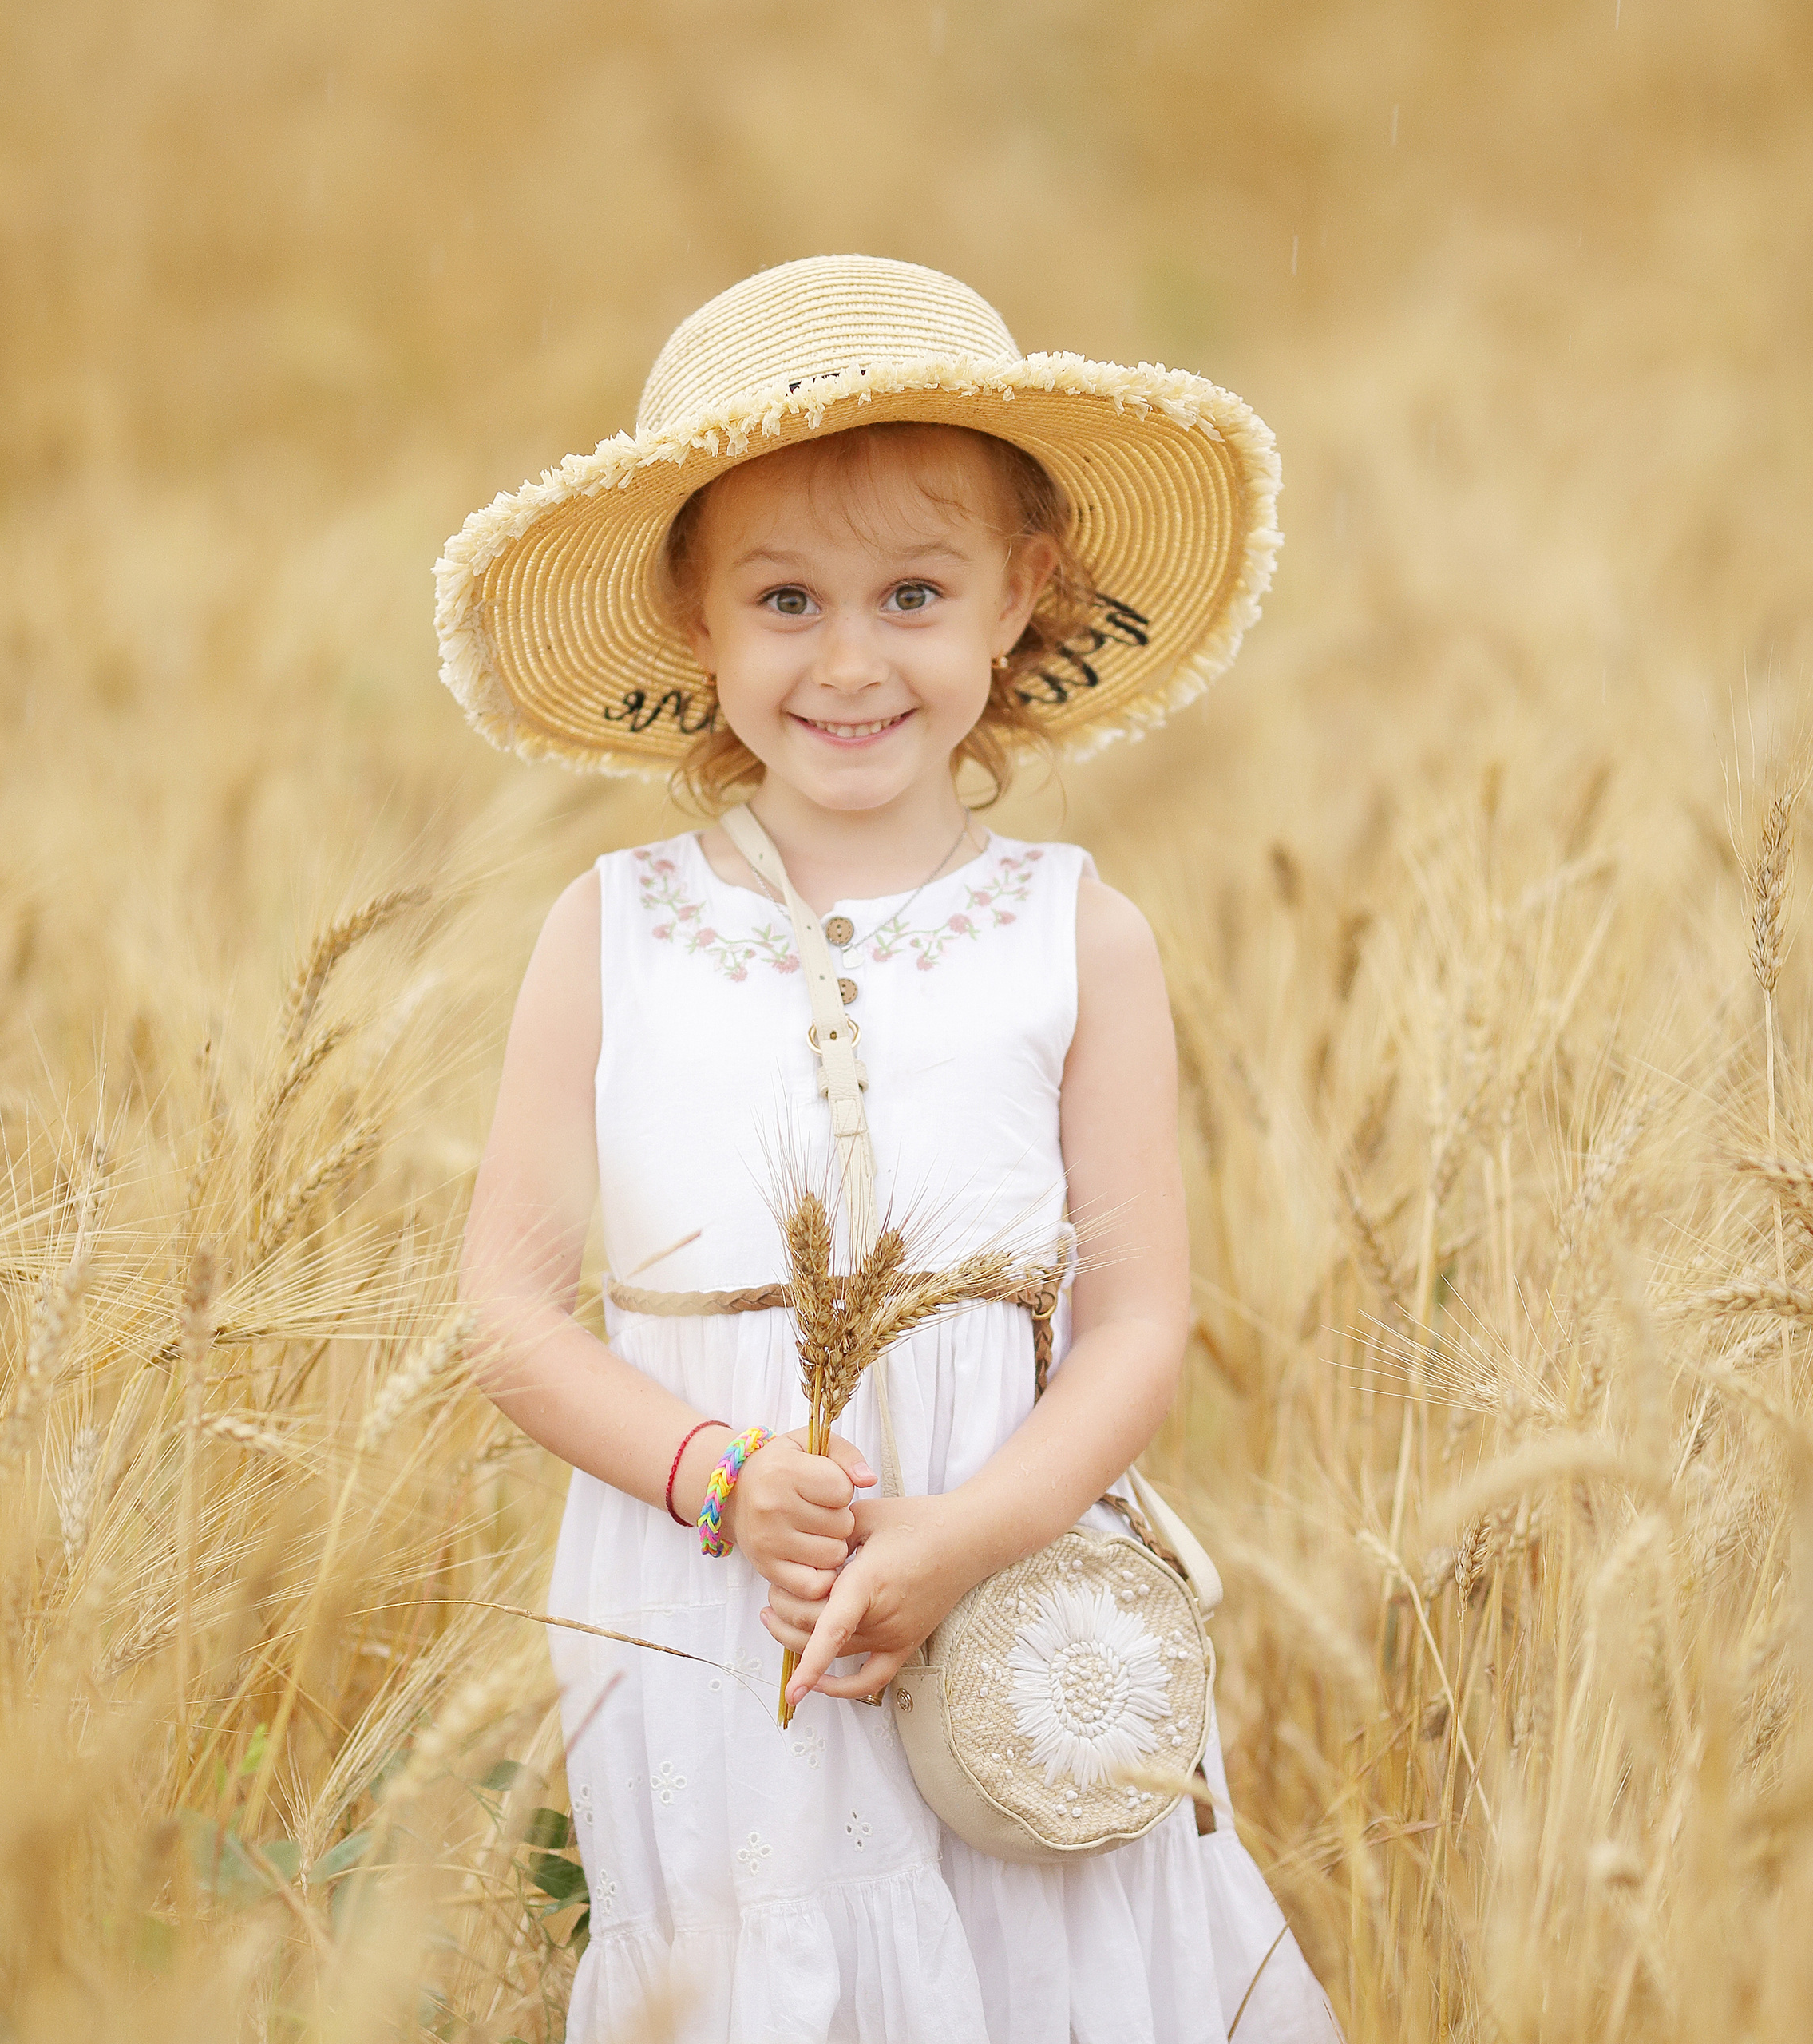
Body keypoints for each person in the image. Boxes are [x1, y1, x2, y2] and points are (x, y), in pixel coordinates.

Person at [447, 256, 1336, 2042]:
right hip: (708, 1616)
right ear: (693, 620)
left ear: (1021, 599)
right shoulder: (608, 929)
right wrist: (716, 1473)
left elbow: (1140, 1318)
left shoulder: (1075, 932)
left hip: (1010, 1602)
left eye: (911, 594)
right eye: (784, 598)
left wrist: (961, 1535)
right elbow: (509, 1308)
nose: (848, 661)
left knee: (1042, 1969)